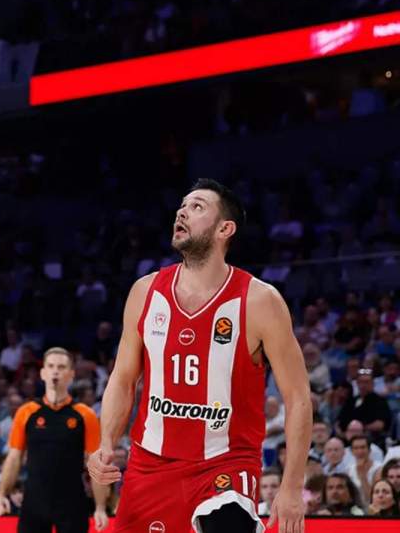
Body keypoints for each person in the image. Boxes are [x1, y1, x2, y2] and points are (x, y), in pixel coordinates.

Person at [88, 179, 312, 533]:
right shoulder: (145, 292)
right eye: (182, 205)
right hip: (150, 466)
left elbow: (298, 397)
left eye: (197, 206)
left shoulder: (259, 301)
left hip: (225, 464)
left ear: (225, 229)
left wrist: (291, 487)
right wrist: (105, 445)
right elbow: (123, 377)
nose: (182, 211)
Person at [0, 347, 108, 533]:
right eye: (51, 366)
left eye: (61, 367)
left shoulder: (85, 415)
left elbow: (95, 463)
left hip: (72, 501)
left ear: (71, 374)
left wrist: (101, 507)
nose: (56, 371)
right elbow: (14, 458)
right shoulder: (26, 412)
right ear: (43, 373)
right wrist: (1, 495)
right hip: (34, 501)